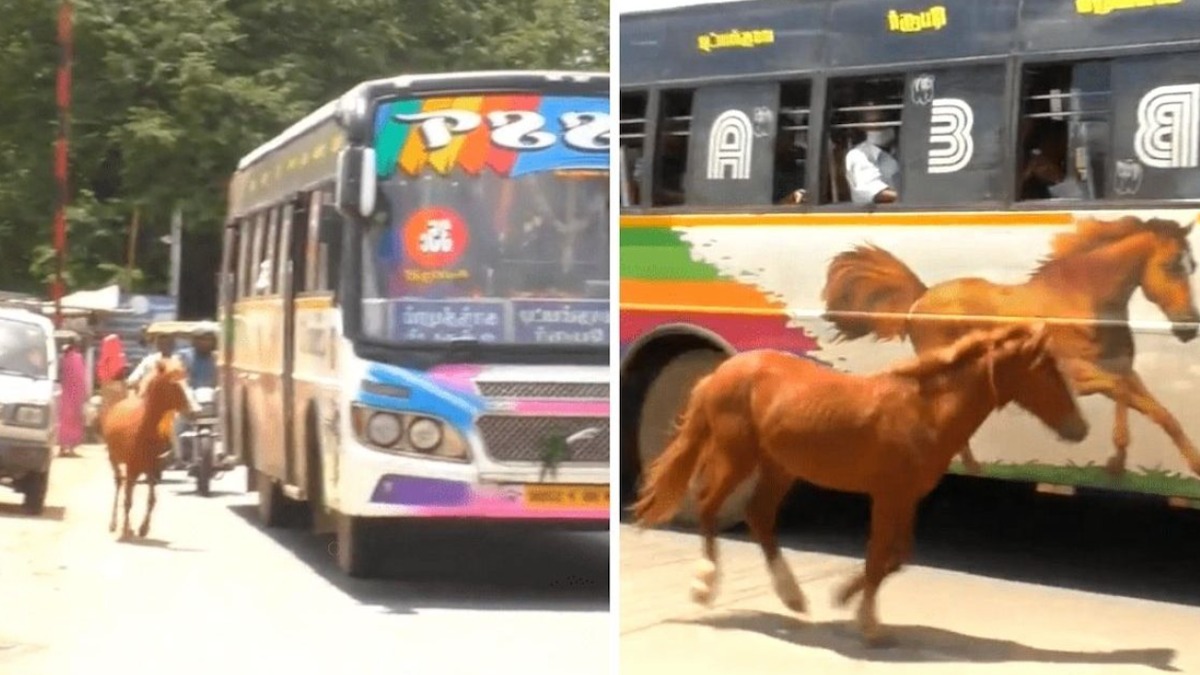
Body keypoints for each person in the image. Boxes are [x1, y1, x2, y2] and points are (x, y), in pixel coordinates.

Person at [845, 105, 900, 205]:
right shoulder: (858, 155)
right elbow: (876, 192)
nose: (881, 125)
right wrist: (911, 197)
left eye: (885, 120)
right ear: (862, 127)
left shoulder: (899, 149)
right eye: (875, 122)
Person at [57, 335, 87, 458]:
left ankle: (63, 447)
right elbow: (81, 377)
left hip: (65, 394)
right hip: (75, 394)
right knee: (74, 421)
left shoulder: (63, 358)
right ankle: (71, 448)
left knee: (63, 421)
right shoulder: (78, 358)